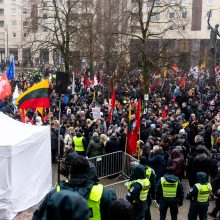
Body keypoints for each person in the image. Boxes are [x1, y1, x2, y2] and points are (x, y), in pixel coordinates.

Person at [140, 156, 156, 220]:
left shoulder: (136, 169)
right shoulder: (150, 171)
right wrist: (153, 195)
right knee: (147, 210)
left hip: (138, 192)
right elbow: (153, 184)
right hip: (147, 193)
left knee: (137, 210)